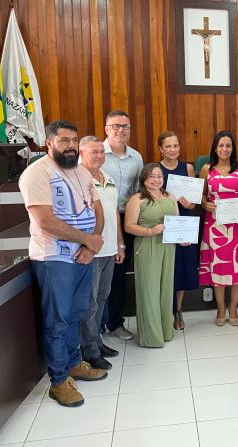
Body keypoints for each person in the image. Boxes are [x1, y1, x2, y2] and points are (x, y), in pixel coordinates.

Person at [19, 121, 107, 407]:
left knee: (78, 312)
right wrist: (88, 241)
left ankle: (73, 363)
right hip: (54, 257)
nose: (70, 145)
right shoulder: (37, 173)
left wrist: (92, 243)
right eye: (64, 140)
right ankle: (58, 381)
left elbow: (97, 209)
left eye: (74, 140)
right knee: (58, 319)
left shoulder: (80, 171)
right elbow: (45, 220)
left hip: (83, 254)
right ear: (49, 143)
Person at [199, 131, 238, 326]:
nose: (224, 149)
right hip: (215, 227)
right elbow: (202, 195)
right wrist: (204, 203)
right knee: (219, 268)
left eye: (228, 146)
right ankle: (220, 307)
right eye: (221, 145)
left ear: (233, 149)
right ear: (215, 148)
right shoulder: (207, 169)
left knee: (237, 267)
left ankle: (233, 307)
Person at [78, 136, 125, 370]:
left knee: (101, 298)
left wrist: (119, 244)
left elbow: (114, 213)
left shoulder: (108, 178)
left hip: (108, 249)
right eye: (93, 152)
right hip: (90, 252)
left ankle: (97, 340)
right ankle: (89, 351)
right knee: (90, 304)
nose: (99, 156)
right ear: (81, 153)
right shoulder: (77, 179)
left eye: (101, 152)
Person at [124, 164, 181, 348]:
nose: (156, 180)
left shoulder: (170, 196)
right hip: (147, 246)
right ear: (144, 179)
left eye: (159, 176)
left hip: (168, 246)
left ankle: (165, 330)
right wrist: (150, 230)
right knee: (149, 290)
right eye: (151, 176)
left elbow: (178, 222)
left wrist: (182, 238)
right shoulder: (137, 199)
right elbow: (129, 226)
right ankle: (151, 337)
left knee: (165, 289)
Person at [101, 110, 143, 341]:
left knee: (118, 274)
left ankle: (115, 323)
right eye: (115, 126)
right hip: (99, 222)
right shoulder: (95, 154)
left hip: (125, 222)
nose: (120, 130)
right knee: (98, 276)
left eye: (125, 126)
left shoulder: (136, 157)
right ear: (106, 129)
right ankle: (95, 326)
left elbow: (139, 191)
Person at [158, 131, 199, 330]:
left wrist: (189, 204)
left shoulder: (188, 168)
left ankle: (178, 311)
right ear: (161, 149)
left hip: (184, 222)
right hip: (164, 224)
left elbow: (193, 202)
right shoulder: (155, 170)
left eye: (175, 146)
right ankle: (165, 311)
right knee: (167, 269)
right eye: (168, 146)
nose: (172, 150)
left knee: (181, 269)